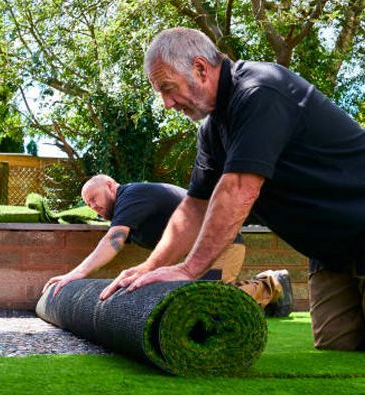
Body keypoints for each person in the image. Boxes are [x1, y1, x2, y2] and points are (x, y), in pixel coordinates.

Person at [100, 27, 365, 351]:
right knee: (336, 351)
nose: (167, 104)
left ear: (200, 68)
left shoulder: (260, 90)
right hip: (329, 254)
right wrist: (149, 267)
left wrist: (189, 269)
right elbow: (193, 207)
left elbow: (239, 188)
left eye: (168, 89)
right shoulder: (213, 130)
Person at [42, 174, 293, 316]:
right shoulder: (130, 213)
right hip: (192, 257)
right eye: (88, 204)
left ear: (110, 185)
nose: (93, 207)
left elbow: (113, 241)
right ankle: (264, 296)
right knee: (188, 304)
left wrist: (76, 273)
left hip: (222, 243)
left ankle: (270, 285)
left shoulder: (132, 195)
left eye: (94, 198)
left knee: (207, 302)